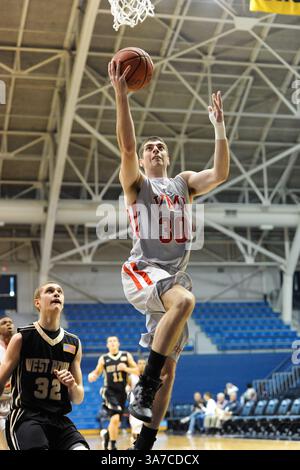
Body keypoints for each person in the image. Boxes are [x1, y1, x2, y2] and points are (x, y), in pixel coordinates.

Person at [108, 59, 229, 450]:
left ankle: (144, 445)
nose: (155, 148)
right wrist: (121, 96)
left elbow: (220, 173)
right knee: (186, 301)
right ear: (142, 161)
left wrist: (219, 128)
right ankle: (142, 386)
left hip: (171, 280)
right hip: (143, 270)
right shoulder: (137, 184)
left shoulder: (183, 183)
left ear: (169, 158)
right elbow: (126, 144)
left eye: (161, 146)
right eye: (149, 147)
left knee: (171, 372)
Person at [0, 282, 89, 450]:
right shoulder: (21, 338)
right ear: (37, 303)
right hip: (26, 417)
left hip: (59, 419)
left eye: (60, 292)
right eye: (50, 291)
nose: (56, 293)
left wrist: (72, 385)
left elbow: (78, 398)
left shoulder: (74, 343)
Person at [88, 336, 138, 450]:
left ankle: (107, 435)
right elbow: (96, 372)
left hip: (122, 393)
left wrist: (125, 368)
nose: (112, 343)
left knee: (116, 421)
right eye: (110, 341)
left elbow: (137, 370)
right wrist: (92, 376)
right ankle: (113, 445)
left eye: (114, 341)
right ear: (107, 345)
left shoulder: (126, 356)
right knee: (115, 417)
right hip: (109, 391)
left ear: (118, 343)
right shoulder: (104, 358)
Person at [0, 314, 15, 450]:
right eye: (4, 323)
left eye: (10, 322)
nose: (9, 324)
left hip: (15, 405)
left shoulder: (19, 348)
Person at [128, 358, 146, 443]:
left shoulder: (148, 376)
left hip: (145, 403)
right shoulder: (131, 376)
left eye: (143, 363)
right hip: (134, 403)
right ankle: (134, 441)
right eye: (140, 363)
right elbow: (127, 387)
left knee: (144, 424)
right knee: (134, 424)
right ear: (137, 365)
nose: (141, 365)